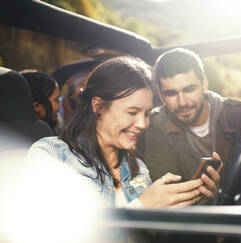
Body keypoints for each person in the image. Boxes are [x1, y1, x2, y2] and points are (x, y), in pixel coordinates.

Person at [26, 56, 219, 208]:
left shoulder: (139, 170)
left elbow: (152, 236)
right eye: (132, 112)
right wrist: (142, 208)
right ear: (99, 106)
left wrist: (192, 203)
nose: (143, 124)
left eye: (147, 113)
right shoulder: (50, 155)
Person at [139, 48, 241, 190]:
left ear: (204, 85)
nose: (182, 102)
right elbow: (167, 192)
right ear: (161, 95)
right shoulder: (156, 123)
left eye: (189, 89)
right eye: (171, 93)